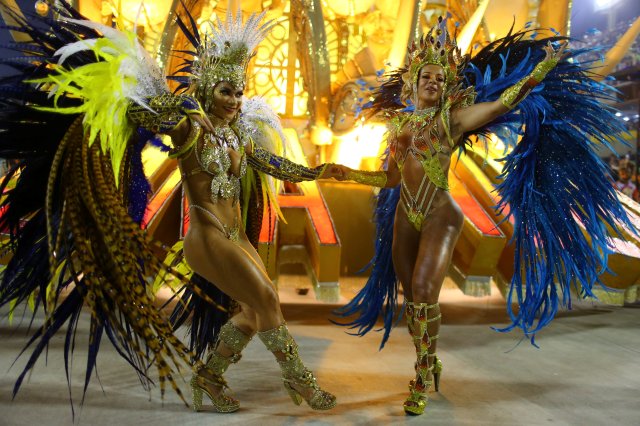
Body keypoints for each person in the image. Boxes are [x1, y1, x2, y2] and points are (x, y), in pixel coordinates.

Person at [0, 4, 338, 413]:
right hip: (208, 237)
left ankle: (207, 380)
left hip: (237, 238)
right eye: (224, 91)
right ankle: (300, 381)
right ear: (207, 89)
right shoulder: (188, 127)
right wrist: (184, 108)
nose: (234, 100)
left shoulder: (238, 135)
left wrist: (321, 169)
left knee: (253, 311)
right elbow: (138, 111)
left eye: (239, 91)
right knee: (266, 298)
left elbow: (273, 164)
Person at [332, 18, 632, 415]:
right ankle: (431, 358)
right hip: (405, 217)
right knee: (413, 302)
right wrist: (347, 173)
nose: (434, 83)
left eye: (441, 78)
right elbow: (389, 178)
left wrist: (541, 70)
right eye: (427, 77)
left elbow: (503, 102)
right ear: (413, 82)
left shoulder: (453, 121)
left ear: (447, 86)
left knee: (424, 292)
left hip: (441, 216)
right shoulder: (401, 125)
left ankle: (421, 377)